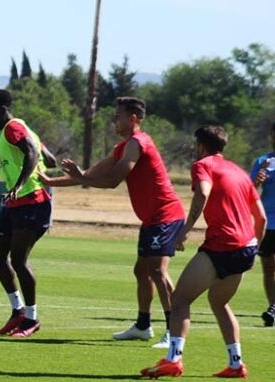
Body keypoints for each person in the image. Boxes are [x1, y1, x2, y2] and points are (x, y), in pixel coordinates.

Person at [44, 97, 185, 348]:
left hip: (166, 214)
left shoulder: (138, 143)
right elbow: (90, 175)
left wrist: (80, 176)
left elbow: (112, 181)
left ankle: (174, 332)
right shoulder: (123, 147)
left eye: (117, 115)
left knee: (157, 271)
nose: (113, 120)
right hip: (151, 219)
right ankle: (143, 326)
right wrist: (50, 181)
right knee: (141, 271)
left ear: (133, 118)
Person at [140, 126, 265, 379]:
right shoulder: (239, 172)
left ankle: (173, 360)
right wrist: (254, 249)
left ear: (200, 146)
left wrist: (184, 230)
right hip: (246, 248)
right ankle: (236, 364)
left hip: (222, 245)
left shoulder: (203, 165)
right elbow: (260, 217)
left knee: (180, 300)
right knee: (220, 302)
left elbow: (203, 193)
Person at [0, 89, 56, 338]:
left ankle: (32, 319)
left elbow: (32, 153)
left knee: (18, 260)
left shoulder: (13, 127)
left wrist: (19, 185)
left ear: (2, 110)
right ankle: (18, 311)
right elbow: (45, 154)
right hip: (17, 203)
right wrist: (45, 160)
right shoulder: (20, 127)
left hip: (33, 200)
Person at [250, 122, 275, 327]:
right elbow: (248, 190)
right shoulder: (263, 160)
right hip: (268, 222)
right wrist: (258, 180)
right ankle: (273, 307)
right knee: (268, 267)